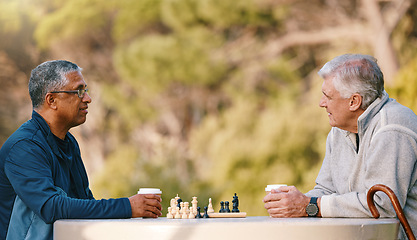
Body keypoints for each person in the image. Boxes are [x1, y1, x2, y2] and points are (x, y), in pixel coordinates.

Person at [0, 60, 162, 240]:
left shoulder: (68, 142)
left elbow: (84, 203)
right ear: (52, 100)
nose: (87, 98)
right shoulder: (24, 147)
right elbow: (51, 207)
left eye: (85, 91)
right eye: (79, 91)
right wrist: (127, 207)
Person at [263, 54, 417, 239]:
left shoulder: (392, 128)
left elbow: (381, 206)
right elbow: (326, 191)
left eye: (328, 97)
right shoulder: (339, 130)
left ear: (354, 102)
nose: (321, 103)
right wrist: (292, 203)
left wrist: (309, 206)